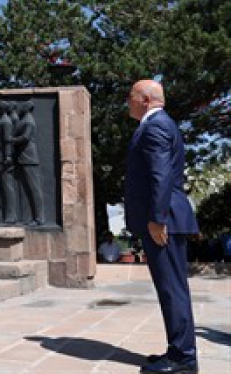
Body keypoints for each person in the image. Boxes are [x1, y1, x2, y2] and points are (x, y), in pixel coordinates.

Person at [125, 79, 199, 374]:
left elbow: (160, 175)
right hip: (164, 217)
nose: (127, 102)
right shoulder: (159, 124)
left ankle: (183, 358)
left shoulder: (155, 126)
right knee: (170, 289)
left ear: (144, 99)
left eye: (130, 96)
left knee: (172, 290)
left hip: (163, 220)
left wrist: (157, 219)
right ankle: (178, 350)